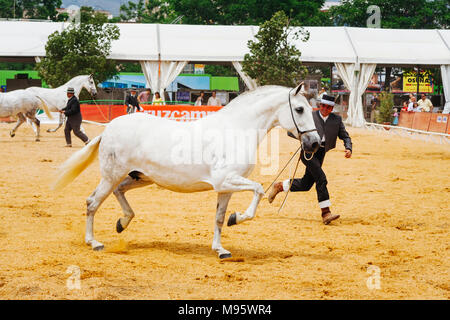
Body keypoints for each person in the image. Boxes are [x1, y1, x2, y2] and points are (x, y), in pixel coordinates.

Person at [268, 94, 352, 225]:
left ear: (332, 108)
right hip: (308, 152)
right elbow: (292, 131)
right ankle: (326, 212)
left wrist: (348, 147)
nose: (325, 108)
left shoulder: (337, 120)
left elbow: (345, 136)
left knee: (305, 184)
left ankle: (280, 186)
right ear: (320, 105)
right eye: (323, 105)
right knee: (321, 178)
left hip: (321, 153)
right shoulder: (310, 116)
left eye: (328, 107)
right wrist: (303, 138)